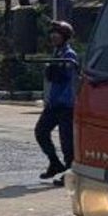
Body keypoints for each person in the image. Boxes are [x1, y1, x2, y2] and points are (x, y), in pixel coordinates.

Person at [36, 20, 79, 181]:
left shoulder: (69, 55)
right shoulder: (56, 54)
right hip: (54, 103)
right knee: (41, 132)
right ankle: (54, 162)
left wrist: (52, 69)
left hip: (66, 104)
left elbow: (61, 76)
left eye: (57, 33)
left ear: (65, 36)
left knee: (67, 141)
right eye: (52, 33)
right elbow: (50, 75)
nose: (53, 36)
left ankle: (70, 171)